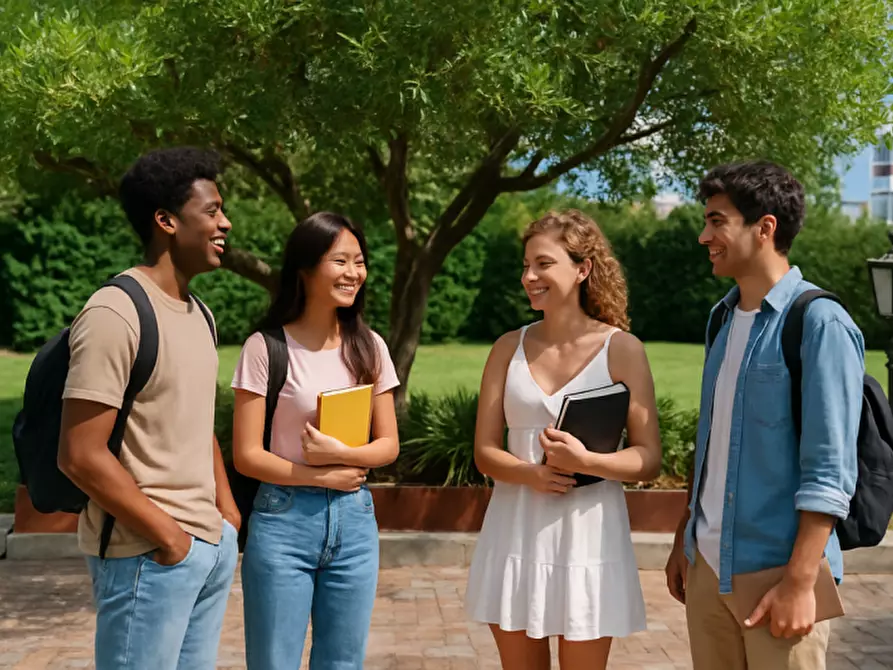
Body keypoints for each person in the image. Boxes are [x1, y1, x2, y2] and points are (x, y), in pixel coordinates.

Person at [664, 160, 864, 669]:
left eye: (716, 221)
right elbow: (712, 443)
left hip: (780, 574)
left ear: (765, 227)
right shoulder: (722, 319)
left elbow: (830, 468)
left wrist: (800, 582)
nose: (703, 235)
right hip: (708, 569)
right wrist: (684, 540)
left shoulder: (820, 323)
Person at [58, 147, 241, 670]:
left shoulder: (199, 312)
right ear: (166, 221)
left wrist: (225, 519)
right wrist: (169, 537)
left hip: (205, 547)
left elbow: (195, 421)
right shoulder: (116, 311)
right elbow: (80, 454)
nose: (225, 223)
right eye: (211, 212)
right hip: (145, 556)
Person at [465, 210, 662, 670]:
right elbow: (485, 451)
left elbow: (648, 458)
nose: (528, 276)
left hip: (589, 540)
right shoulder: (505, 349)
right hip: (514, 533)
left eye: (543, 264)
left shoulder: (623, 350)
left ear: (583, 269)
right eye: (526, 265)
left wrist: (590, 462)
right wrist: (530, 474)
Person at [231, 211, 400, 669]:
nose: (354, 273)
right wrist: (317, 475)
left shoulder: (370, 346)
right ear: (304, 270)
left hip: (356, 523)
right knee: (274, 661)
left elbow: (388, 445)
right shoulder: (265, 348)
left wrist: (343, 455)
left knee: (343, 663)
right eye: (339, 261)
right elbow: (246, 455)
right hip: (283, 522)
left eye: (359, 261)